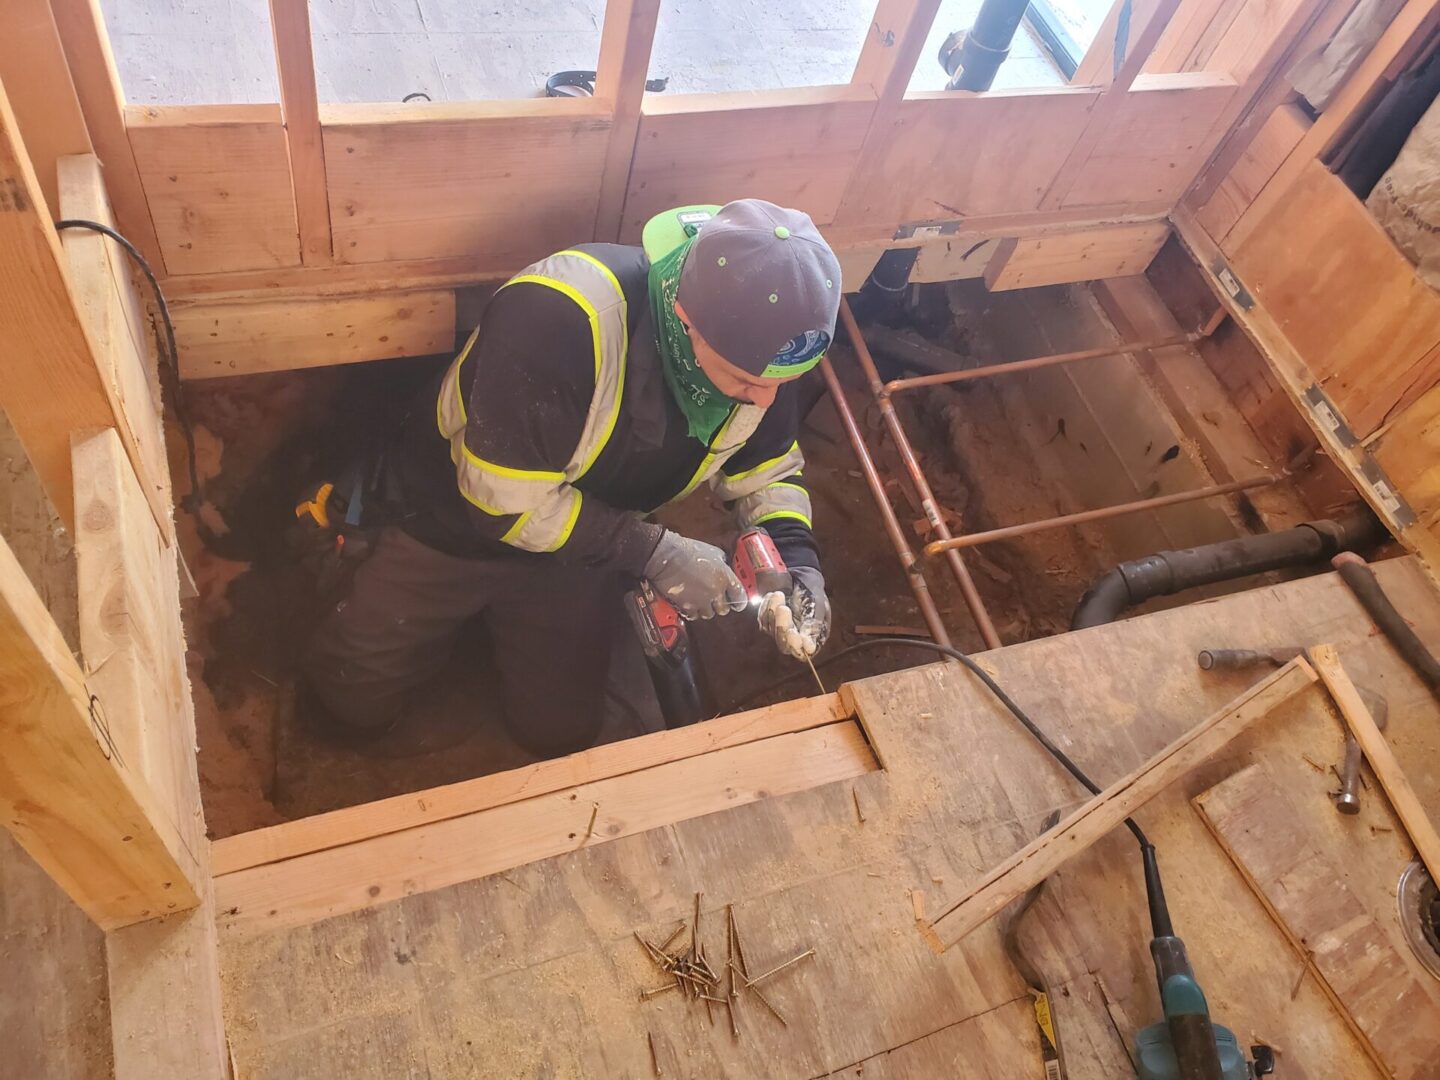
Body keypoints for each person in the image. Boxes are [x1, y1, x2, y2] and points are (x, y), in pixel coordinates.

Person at [303, 199, 840, 757]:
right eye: (746, 381)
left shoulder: (766, 346)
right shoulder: (558, 322)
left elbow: (767, 467)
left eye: (783, 381)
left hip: (577, 551)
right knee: (349, 701)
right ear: (686, 317)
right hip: (445, 525)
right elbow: (501, 506)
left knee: (560, 734)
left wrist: (796, 557)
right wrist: (651, 551)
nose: (768, 399)